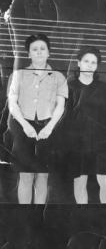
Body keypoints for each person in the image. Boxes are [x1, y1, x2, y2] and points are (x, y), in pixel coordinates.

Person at [8, 33, 68, 204]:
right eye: (34, 49)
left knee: (42, 176)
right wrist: (25, 125)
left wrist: (49, 128)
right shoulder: (18, 75)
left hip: (48, 130)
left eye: (43, 48)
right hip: (23, 128)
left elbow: (60, 107)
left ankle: (38, 218)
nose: (39, 52)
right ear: (28, 54)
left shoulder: (58, 77)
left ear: (49, 52)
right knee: (25, 176)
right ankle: (25, 217)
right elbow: (12, 104)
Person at [64, 46, 106, 204]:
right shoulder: (69, 87)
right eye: (86, 61)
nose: (89, 65)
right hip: (77, 142)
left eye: (93, 62)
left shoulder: (105, 88)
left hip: (101, 142)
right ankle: (83, 218)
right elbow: (66, 117)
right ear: (78, 62)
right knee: (80, 181)